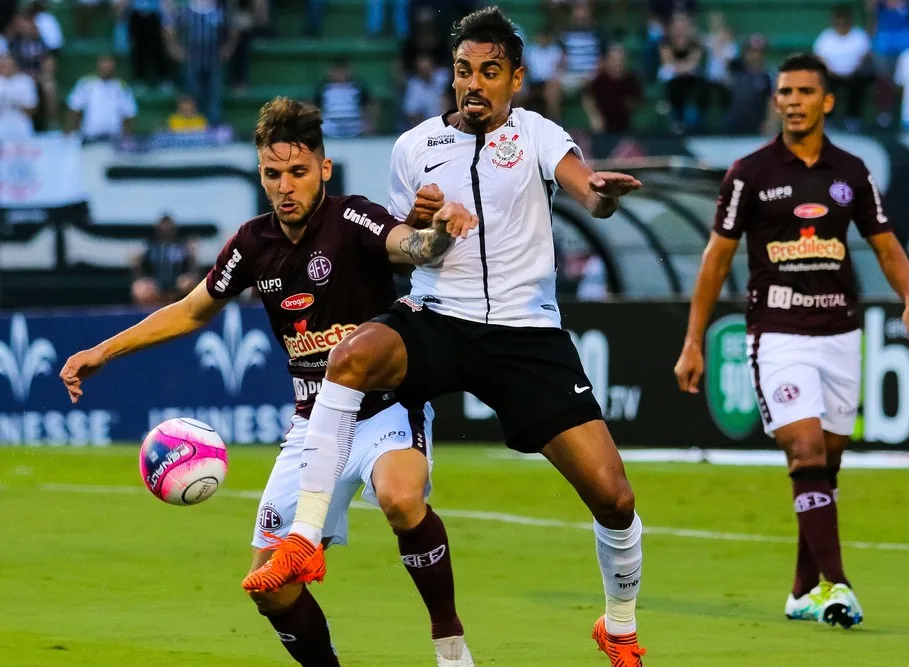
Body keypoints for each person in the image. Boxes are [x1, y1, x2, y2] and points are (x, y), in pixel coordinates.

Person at [243, 8, 648, 666]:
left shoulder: (539, 134)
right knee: (351, 357)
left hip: (525, 334)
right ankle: (306, 538)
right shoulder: (414, 148)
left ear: (516, 78)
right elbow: (407, 250)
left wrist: (599, 193)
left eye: (490, 72)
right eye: (464, 71)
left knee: (614, 494)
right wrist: (425, 220)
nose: (474, 84)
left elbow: (584, 187)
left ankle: (621, 628)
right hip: (441, 316)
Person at [58, 97, 480, 667]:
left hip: (386, 409)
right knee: (270, 586)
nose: (285, 186)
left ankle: (451, 648)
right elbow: (189, 310)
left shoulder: (353, 218)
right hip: (312, 425)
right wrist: (103, 352)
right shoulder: (253, 244)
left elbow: (410, 245)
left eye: (298, 172)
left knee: (402, 498)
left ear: (324, 170)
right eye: (272, 173)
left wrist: (441, 233)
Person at [673, 53, 909, 629]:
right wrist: (693, 340)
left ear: (826, 100)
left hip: (840, 332)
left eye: (804, 91)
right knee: (807, 452)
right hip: (778, 333)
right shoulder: (749, 172)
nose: (792, 100)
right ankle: (837, 586)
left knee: (826, 464)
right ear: (776, 102)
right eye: (784, 92)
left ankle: (799, 590)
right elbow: (716, 261)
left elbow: (885, 244)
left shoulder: (853, 171)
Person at [130, 214, 201, 306]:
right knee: (139, 288)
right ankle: (146, 315)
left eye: (169, 228)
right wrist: (137, 266)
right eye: (163, 228)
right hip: (155, 286)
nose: (166, 231)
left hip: (178, 284)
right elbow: (140, 272)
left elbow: (193, 272)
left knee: (189, 283)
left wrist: (193, 258)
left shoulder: (182, 247)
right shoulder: (150, 247)